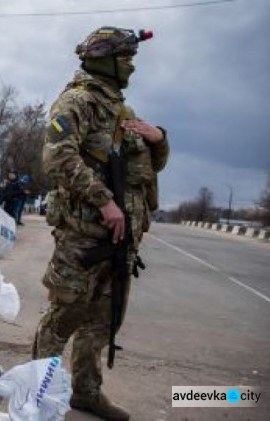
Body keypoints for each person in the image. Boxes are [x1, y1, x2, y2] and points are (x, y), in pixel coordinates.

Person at [32, 27, 170, 420]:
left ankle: (86, 393)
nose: (131, 65)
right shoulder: (78, 102)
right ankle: (36, 395)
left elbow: (148, 168)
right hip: (85, 236)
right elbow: (58, 158)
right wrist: (104, 201)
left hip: (121, 239)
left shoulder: (121, 112)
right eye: (126, 57)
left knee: (102, 321)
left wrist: (159, 139)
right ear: (104, 58)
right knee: (64, 316)